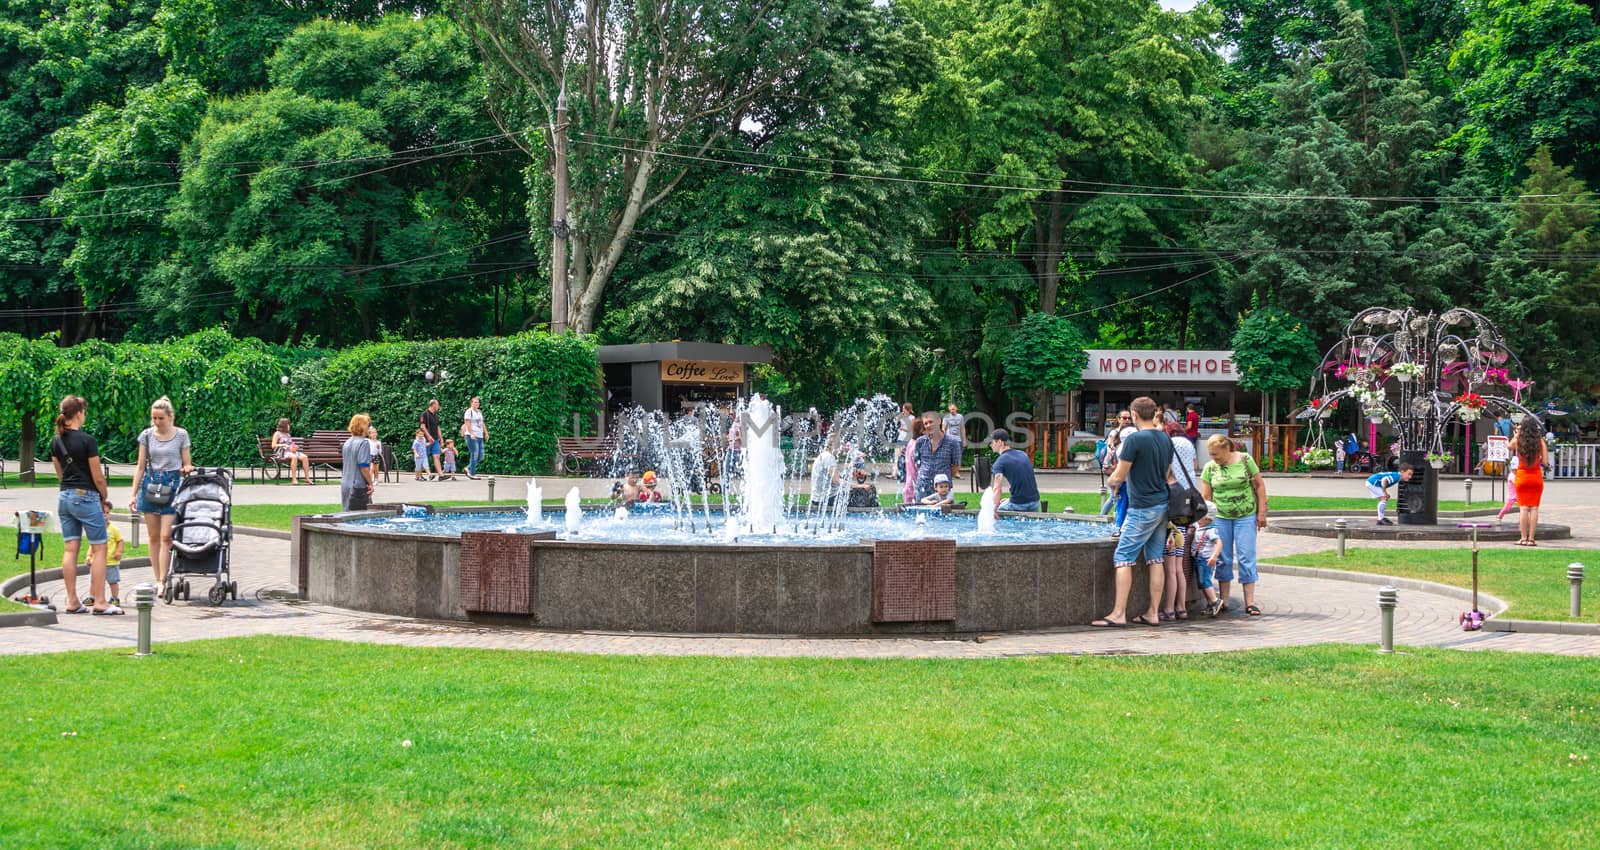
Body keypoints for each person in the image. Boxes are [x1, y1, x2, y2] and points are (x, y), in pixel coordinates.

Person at [1091, 396, 1170, 628]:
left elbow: (1119, 475)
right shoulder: (1165, 438)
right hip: (1162, 504)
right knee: (1155, 558)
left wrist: (1112, 480)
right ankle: (1153, 612)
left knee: (1123, 557)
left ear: (1134, 415)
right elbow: (1167, 474)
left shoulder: (1134, 440)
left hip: (1142, 507)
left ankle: (1118, 613)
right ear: (1153, 412)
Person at [50, 395, 118, 615]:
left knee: (70, 549)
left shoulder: (56, 441)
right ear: (79, 413)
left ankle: (72, 601)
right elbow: (98, 476)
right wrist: (104, 496)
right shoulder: (87, 441)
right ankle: (99, 601)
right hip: (86, 496)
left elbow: (60, 474)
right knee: (100, 548)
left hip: (65, 497)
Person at [1199, 434, 1270, 617]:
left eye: (1216, 454)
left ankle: (1250, 602)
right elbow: (1206, 497)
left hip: (1245, 515)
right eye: (1210, 454)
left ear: (1226, 449)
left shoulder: (1245, 460)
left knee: (1246, 556)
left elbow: (1260, 486)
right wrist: (1204, 521)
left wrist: (1261, 512)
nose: (1213, 458)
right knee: (1223, 558)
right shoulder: (1210, 468)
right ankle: (1224, 600)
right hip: (1221, 517)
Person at [130, 396, 194, 592]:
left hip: (172, 483)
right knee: (153, 536)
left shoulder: (181, 435)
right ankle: (157, 577)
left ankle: (163, 580)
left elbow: (187, 462)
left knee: (167, 535)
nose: (157, 422)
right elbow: (140, 466)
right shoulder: (147, 436)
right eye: (154, 418)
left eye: (161, 418)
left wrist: (188, 468)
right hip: (151, 483)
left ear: (170, 417)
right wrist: (133, 493)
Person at [913, 411, 962, 499]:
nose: (928, 425)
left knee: (944, 512)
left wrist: (942, 479)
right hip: (923, 488)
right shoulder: (920, 442)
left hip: (943, 489)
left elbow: (956, 466)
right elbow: (917, 464)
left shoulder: (953, 442)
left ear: (939, 421)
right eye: (926, 423)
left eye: (931, 422)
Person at [987, 428, 1039, 512]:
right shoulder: (1022, 454)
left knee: (994, 514)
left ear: (1000, 442)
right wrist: (1009, 500)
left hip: (1019, 504)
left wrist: (994, 509)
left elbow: (997, 488)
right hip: (1035, 502)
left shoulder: (1000, 462)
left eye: (992, 442)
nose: (990, 445)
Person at [1514, 421, 1548, 546]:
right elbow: (1545, 461)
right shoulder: (1540, 441)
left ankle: (1523, 538)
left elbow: (1509, 446)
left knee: (1523, 508)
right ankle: (1531, 539)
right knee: (1534, 508)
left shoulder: (1519, 440)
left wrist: (1517, 434)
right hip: (1536, 477)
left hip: (1522, 476)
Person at [1188, 504, 1225, 617]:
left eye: (1200, 517)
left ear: (1208, 519)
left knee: (1205, 581)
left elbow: (1219, 543)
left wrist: (1214, 556)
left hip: (1206, 560)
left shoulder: (1210, 530)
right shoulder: (1199, 525)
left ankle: (1215, 601)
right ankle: (1210, 604)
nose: (1197, 519)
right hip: (1198, 558)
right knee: (1201, 582)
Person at [78, 524, 125, 607]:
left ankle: (114, 598)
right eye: (103, 513)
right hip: (96, 562)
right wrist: (89, 556)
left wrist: (119, 552)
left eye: (107, 513)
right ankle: (92, 597)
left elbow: (120, 541)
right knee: (93, 581)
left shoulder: (114, 529)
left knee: (113, 581)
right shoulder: (96, 528)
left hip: (111, 562)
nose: (105, 515)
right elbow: (92, 545)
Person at [340, 414, 375, 511]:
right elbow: (364, 467)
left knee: (347, 514)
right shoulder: (364, 443)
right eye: (367, 425)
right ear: (363, 427)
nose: (369, 428)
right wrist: (370, 483)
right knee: (362, 517)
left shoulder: (347, 443)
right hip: (358, 485)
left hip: (345, 484)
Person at [271, 418, 312, 484]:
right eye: (288, 425)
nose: (289, 426)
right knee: (294, 457)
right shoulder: (277, 434)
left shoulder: (288, 435)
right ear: (284, 425)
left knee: (305, 457)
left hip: (291, 451)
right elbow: (273, 445)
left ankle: (307, 478)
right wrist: (283, 445)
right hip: (282, 452)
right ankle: (294, 479)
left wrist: (294, 447)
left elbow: (290, 444)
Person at [461, 396, 488, 479]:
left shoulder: (479, 412)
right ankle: (472, 474)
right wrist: (471, 433)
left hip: (479, 436)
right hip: (471, 436)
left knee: (481, 456)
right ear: (471, 403)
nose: (477, 403)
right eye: (475, 402)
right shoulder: (469, 412)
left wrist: (486, 433)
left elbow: (482, 423)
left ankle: (467, 468)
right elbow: (467, 423)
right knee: (474, 454)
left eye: (478, 402)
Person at [419, 399, 445, 480]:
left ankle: (441, 475)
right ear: (433, 405)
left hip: (436, 439)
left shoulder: (436, 416)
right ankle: (419, 475)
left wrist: (441, 439)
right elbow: (422, 426)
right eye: (437, 404)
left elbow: (438, 427)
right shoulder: (424, 414)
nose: (438, 406)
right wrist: (429, 436)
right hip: (427, 440)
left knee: (436, 456)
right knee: (423, 457)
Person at [901, 418, 922, 505]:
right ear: (921, 430)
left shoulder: (911, 442)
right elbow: (918, 467)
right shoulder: (916, 446)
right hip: (914, 486)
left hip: (909, 485)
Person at [943, 403, 964, 478]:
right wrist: (943, 439)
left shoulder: (960, 416)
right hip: (949, 439)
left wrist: (964, 440)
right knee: (949, 456)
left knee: (958, 456)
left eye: (953, 409)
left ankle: (957, 472)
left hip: (958, 439)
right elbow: (943, 428)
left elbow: (962, 428)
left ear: (956, 409)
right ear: (949, 409)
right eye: (951, 409)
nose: (952, 410)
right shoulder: (946, 417)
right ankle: (949, 472)